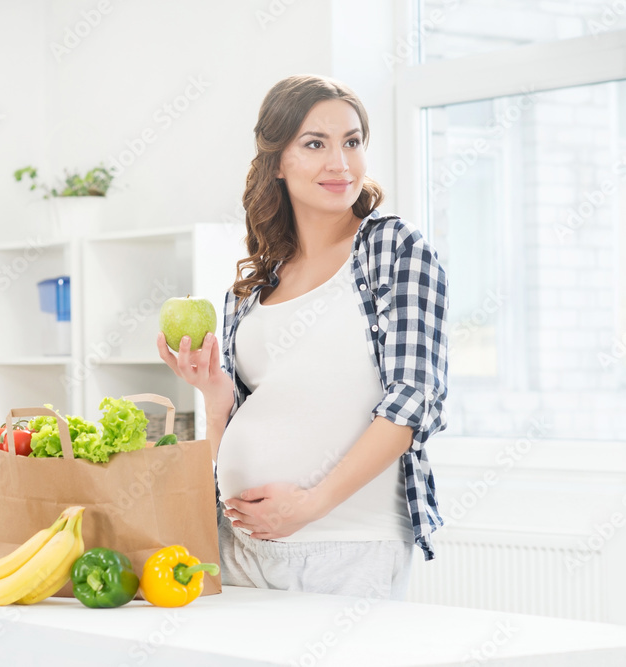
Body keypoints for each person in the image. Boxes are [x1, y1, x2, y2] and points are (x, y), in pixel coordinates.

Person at [156, 74, 448, 600]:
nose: (341, 163)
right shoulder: (253, 283)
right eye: (315, 144)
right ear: (277, 162)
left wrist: (310, 505)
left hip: (347, 547)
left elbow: (413, 400)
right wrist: (217, 395)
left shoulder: (393, 250)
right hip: (238, 545)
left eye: (352, 142)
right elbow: (250, 416)